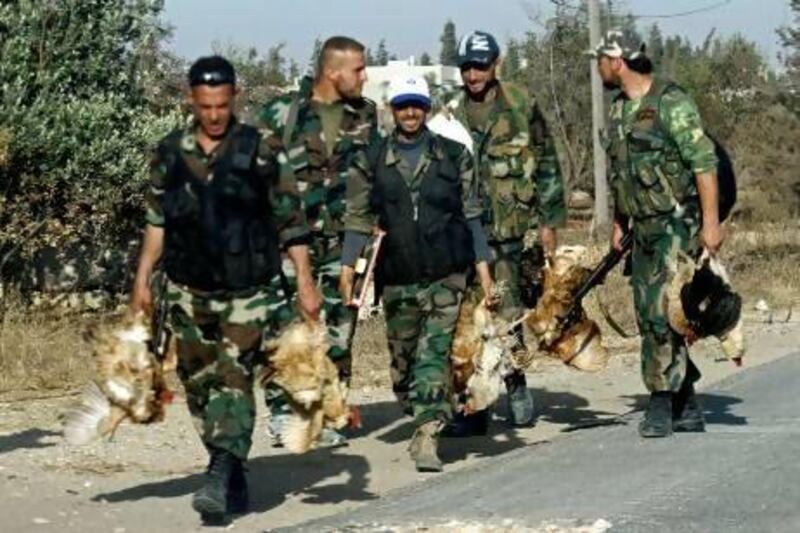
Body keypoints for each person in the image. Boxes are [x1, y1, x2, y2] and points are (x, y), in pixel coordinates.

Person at [130, 56, 321, 522]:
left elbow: (291, 223)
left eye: (221, 104)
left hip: (247, 293)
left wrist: (305, 280)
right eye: (204, 106)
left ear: (234, 96)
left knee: (233, 381)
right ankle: (231, 468)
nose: (214, 115)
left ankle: (218, 472)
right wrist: (141, 280)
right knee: (198, 386)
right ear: (191, 101)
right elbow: (157, 222)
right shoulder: (170, 153)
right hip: (187, 290)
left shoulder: (262, 150)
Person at [340, 76, 494, 472]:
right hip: (398, 276)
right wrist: (348, 268)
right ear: (392, 109)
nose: (410, 113)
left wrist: (484, 269)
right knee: (404, 362)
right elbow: (358, 218)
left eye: (417, 105)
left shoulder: (454, 155)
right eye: (403, 105)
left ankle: (428, 433)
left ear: (427, 108)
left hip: (447, 273)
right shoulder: (370, 159)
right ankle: (419, 408)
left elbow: (473, 216)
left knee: (434, 353)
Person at [589, 30, 723, 437]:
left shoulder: (671, 103)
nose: (597, 68)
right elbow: (620, 173)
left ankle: (661, 402)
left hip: (675, 227)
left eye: (600, 60)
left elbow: (704, 165)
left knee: (661, 314)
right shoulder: (618, 111)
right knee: (652, 315)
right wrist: (618, 222)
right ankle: (688, 403)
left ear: (617, 61)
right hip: (641, 230)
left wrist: (711, 225)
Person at [437, 31, 567, 434]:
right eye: (466, 67)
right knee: (465, 322)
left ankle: (516, 385)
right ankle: (474, 405)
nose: (472, 74)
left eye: (480, 65)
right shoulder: (449, 113)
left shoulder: (521, 104)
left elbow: (546, 163)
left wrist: (550, 222)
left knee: (507, 315)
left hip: (509, 231)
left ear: (496, 65)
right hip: (461, 237)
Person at [258, 36, 380, 446]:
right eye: (359, 69)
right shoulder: (282, 112)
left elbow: (370, 180)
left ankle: (328, 410)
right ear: (332, 72)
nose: (365, 76)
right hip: (290, 241)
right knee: (287, 330)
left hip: (345, 242)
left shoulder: (367, 115)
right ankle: (281, 414)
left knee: (340, 330)